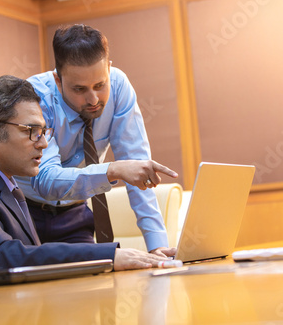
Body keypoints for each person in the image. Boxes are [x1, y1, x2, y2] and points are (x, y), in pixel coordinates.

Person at [0, 75, 167, 277]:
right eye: (31, 132)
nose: (43, 143)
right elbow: (1, 260)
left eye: (44, 131)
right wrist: (106, 255)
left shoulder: (3, 184)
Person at [16, 24, 178, 257]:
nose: (93, 99)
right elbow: (46, 181)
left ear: (108, 70)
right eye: (79, 89)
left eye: (100, 85)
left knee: (93, 284)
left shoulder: (119, 85)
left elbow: (137, 166)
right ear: (58, 80)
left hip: (75, 212)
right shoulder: (35, 97)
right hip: (25, 213)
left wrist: (157, 244)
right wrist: (113, 170)